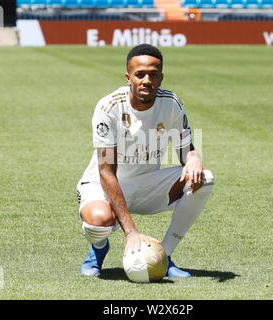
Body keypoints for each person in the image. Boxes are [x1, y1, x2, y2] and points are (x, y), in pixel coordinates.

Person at [76, 44, 214, 278]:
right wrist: (131, 232)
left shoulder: (171, 104)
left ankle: (164, 256)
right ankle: (98, 250)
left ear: (161, 77)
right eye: (140, 74)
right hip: (104, 186)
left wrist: (193, 157)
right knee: (99, 221)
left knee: (205, 178)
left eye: (153, 74)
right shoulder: (109, 107)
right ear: (128, 77)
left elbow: (186, 151)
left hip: (147, 185)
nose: (147, 80)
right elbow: (106, 172)